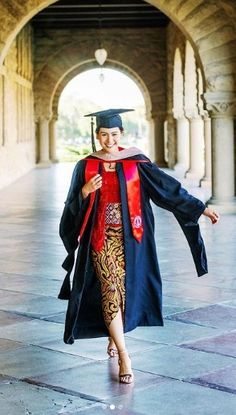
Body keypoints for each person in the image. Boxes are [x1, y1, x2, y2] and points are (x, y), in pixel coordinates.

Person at [58, 108, 219, 384]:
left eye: (114, 134)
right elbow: (70, 207)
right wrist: (85, 191)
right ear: (97, 135)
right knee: (110, 288)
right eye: (104, 134)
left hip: (132, 239)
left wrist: (199, 208)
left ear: (122, 134)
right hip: (100, 239)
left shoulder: (135, 161)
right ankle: (124, 354)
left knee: (123, 291)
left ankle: (113, 335)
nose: (109, 140)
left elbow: (168, 189)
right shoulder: (85, 166)